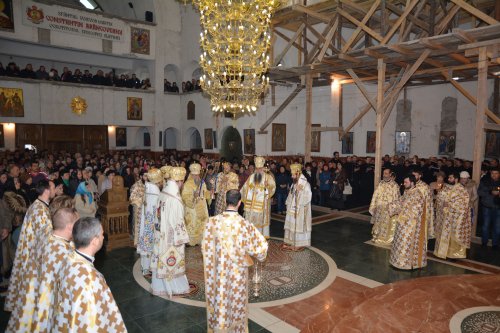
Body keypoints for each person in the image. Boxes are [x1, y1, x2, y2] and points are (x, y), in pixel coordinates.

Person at [202, 189, 268, 333]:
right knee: (237, 300)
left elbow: (206, 248)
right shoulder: (245, 225)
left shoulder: (212, 222)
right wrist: (257, 255)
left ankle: (220, 326)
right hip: (238, 274)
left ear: (226, 201)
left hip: (219, 273)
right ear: (239, 203)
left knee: (221, 298)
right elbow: (261, 248)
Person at [52, 217, 126, 332]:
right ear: (95, 241)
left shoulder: (69, 258)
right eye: (101, 234)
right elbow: (92, 322)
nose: (103, 236)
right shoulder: (90, 279)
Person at [15, 208, 78, 332]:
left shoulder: (48, 236)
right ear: (70, 227)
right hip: (50, 304)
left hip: (35, 293)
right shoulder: (63, 252)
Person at [4, 180, 55, 315]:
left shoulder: (39, 206)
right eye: (54, 187)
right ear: (47, 190)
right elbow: (45, 239)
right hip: (34, 258)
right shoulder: (40, 210)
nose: (55, 190)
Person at [151, 166, 190, 297]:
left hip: (160, 234)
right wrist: (183, 237)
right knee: (172, 261)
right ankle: (176, 288)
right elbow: (178, 221)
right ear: (179, 181)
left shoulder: (163, 192)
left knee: (161, 259)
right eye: (182, 181)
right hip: (171, 237)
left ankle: (160, 286)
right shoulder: (175, 199)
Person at [389, 174, 427, 270]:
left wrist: (403, 210)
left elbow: (417, 210)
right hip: (402, 223)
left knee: (406, 243)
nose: (404, 184)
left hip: (411, 225)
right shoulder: (407, 191)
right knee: (399, 242)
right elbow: (401, 201)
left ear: (412, 182)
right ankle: (398, 261)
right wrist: (392, 205)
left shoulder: (418, 194)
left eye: (406, 182)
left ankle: (406, 264)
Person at [433, 172, 471, 259]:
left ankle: (453, 255)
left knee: (453, 237)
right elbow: (439, 199)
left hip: (455, 218)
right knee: (443, 235)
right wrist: (441, 199)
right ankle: (442, 253)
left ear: (456, 179)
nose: (449, 179)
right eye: (449, 178)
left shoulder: (461, 190)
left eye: (451, 178)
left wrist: (449, 205)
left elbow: (464, 204)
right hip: (445, 217)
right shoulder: (445, 188)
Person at [240, 156, 276, 238]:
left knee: (261, 221)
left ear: (263, 168)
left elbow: (272, 188)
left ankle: (260, 235)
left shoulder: (268, 177)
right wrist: (240, 194)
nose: (258, 170)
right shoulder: (252, 176)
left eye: (260, 168)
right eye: (257, 168)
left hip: (262, 204)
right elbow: (245, 187)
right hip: (251, 205)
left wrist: (267, 189)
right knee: (251, 222)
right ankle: (251, 235)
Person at [138, 168, 163, 276]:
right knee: (152, 245)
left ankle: (144, 267)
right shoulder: (156, 192)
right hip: (152, 222)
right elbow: (158, 209)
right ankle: (150, 267)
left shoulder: (146, 187)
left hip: (145, 221)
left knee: (146, 244)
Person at [282, 164, 312, 251]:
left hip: (301, 210)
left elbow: (308, 197)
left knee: (299, 226)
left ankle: (299, 244)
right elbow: (291, 194)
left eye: (293, 174)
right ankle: (292, 241)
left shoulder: (305, 184)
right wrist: (288, 203)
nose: (292, 176)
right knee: (292, 224)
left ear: (298, 173)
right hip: (292, 209)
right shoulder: (294, 183)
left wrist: (300, 192)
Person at [369, 168, 401, 246]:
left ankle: (387, 239)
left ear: (390, 174)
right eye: (384, 173)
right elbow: (375, 195)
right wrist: (373, 205)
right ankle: (377, 237)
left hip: (388, 210)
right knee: (378, 223)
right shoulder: (381, 184)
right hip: (379, 209)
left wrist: (392, 209)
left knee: (387, 225)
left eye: (386, 173)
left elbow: (397, 199)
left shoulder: (395, 185)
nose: (384, 175)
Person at [182, 163, 210, 246]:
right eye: (194, 175)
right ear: (191, 174)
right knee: (193, 223)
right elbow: (185, 197)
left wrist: (209, 193)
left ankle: (200, 239)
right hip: (192, 209)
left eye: (197, 175)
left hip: (202, 207)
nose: (196, 177)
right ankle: (191, 241)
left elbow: (204, 192)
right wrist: (193, 197)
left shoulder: (202, 182)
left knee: (201, 224)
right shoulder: (187, 184)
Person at [477, 167, 500, 249]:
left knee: (497, 228)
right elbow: (479, 192)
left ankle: (495, 244)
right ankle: (484, 243)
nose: (494, 175)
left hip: (498, 208)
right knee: (485, 226)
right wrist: (490, 192)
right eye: (492, 173)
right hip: (487, 207)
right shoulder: (485, 181)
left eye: (496, 173)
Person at [412, 167, 435, 239]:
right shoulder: (410, 184)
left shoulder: (425, 187)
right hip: (411, 211)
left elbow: (428, 202)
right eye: (412, 175)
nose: (413, 177)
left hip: (421, 212)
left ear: (420, 176)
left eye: (415, 175)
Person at [130, 171, 146, 247]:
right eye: (145, 176)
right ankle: (136, 242)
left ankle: (143, 240)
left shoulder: (147, 185)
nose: (146, 178)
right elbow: (132, 198)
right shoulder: (136, 185)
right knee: (137, 224)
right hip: (138, 208)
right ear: (140, 176)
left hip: (146, 208)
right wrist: (142, 201)